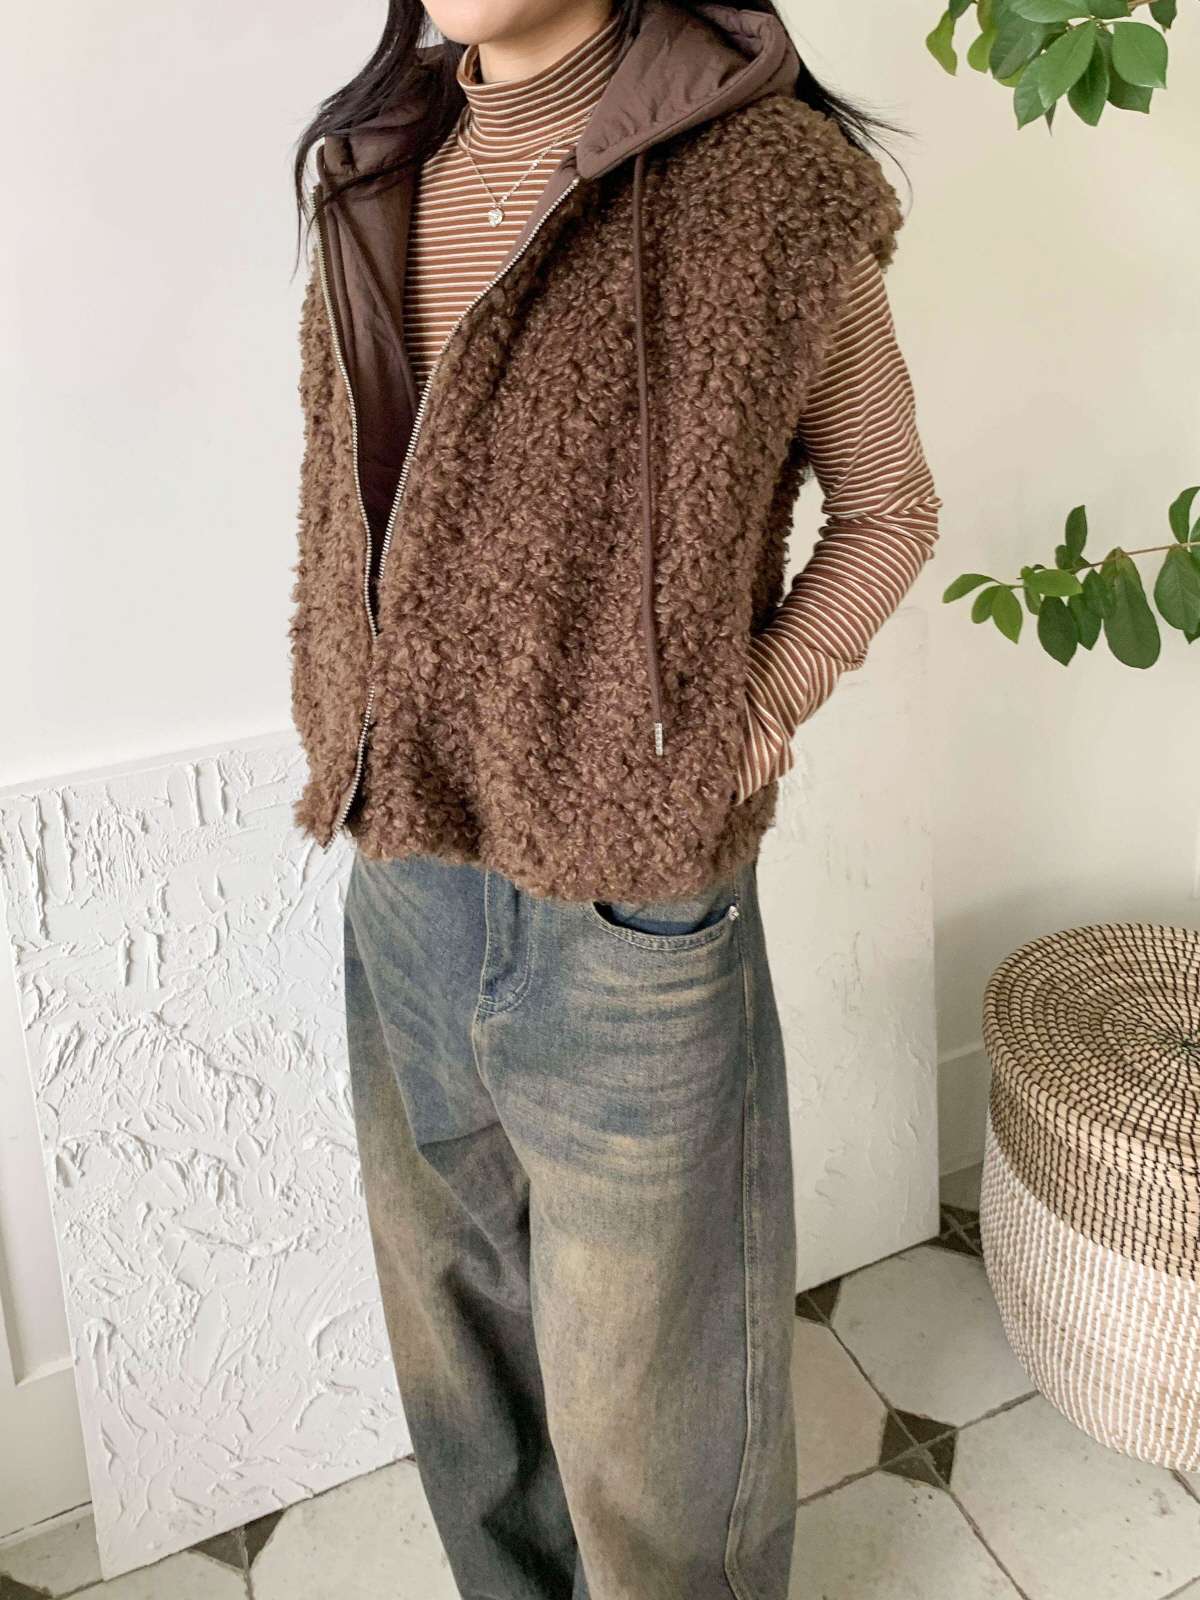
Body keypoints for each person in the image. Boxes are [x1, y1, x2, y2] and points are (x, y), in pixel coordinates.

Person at [288, 0, 939, 1594]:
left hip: (629, 906)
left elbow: (890, 508)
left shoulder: (771, 183)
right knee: (460, 1350)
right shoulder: (377, 164)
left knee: (657, 1412)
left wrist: (749, 712)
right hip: (406, 863)